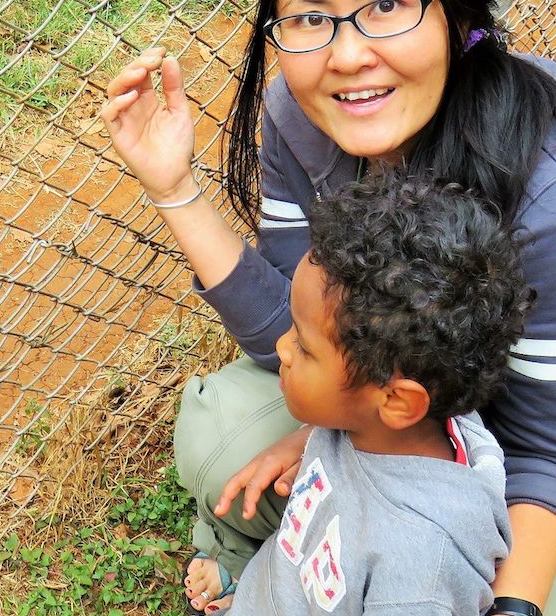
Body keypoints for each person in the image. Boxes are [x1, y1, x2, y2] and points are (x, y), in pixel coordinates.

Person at [100, 0, 556, 616]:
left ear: (459, 10)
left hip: (508, 474)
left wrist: (510, 610)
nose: (345, 57)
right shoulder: (297, 113)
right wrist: (173, 187)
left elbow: (548, 456)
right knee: (226, 439)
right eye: (309, 18)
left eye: (388, 7)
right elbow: (296, 329)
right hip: (387, 412)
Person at [193, 169, 527, 615]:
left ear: (396, 401)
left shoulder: (418, 571)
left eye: (304, 346)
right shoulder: (380, 422)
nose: (281, 348)